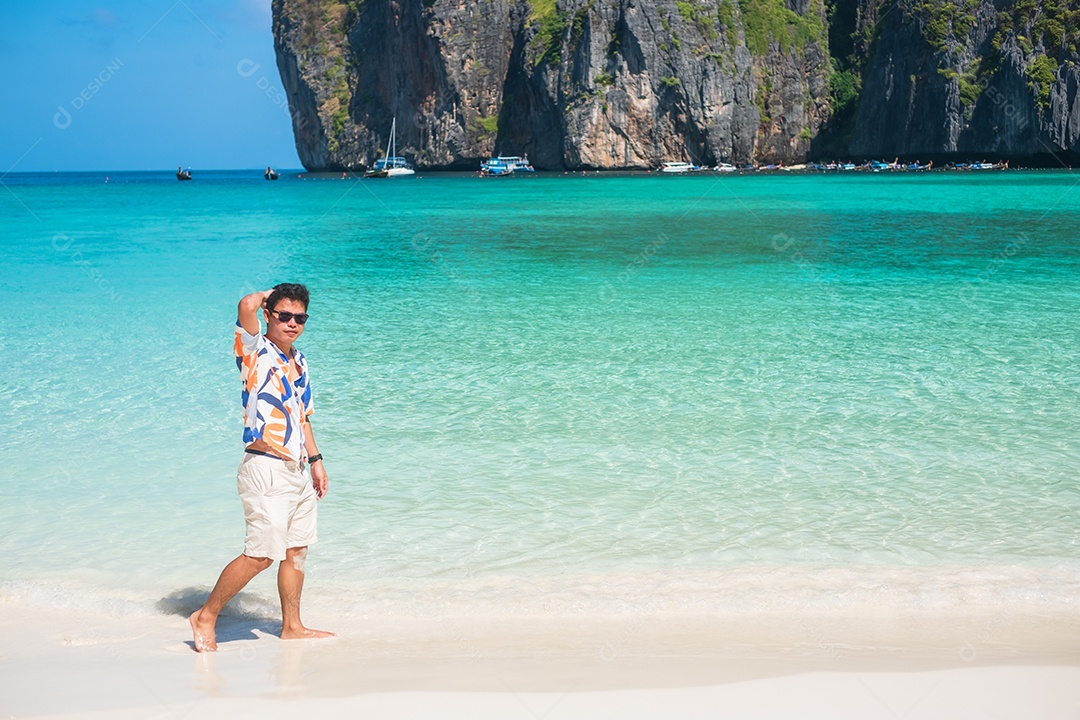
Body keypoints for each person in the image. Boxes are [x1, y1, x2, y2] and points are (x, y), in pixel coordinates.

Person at [189, 283, 333, 652]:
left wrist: (316, 461)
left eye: (299, 317)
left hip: (296, 469)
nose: (292, 323)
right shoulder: (254, 350)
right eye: (284, 315)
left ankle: (292, 626)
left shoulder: (299, 361)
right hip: (264, 466)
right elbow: (245, 303)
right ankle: (205, 615)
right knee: (261, 555)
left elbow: (302, 417)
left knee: (296, 550)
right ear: (269, 315)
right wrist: (272, 293)